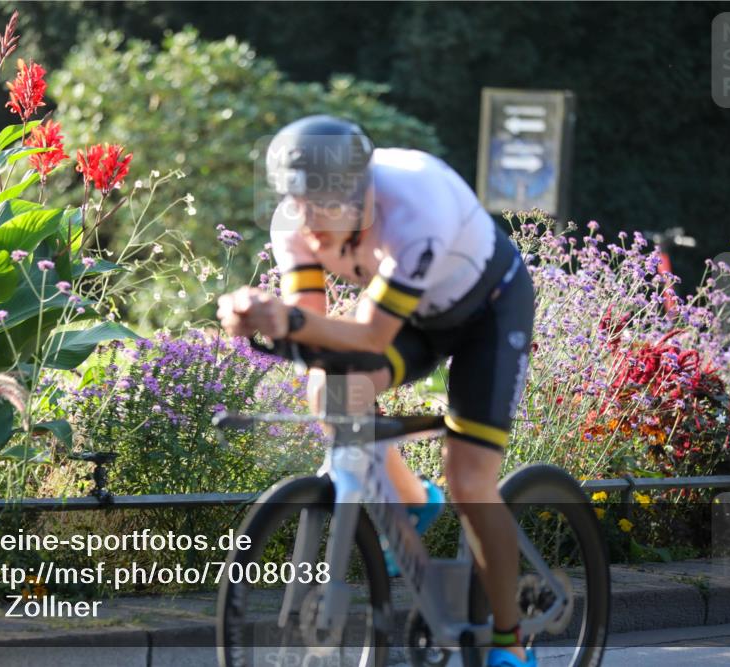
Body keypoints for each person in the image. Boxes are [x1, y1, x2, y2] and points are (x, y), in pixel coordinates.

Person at [217, 115, 536, 667]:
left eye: (323, 208)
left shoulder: (414, 206)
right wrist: (261, 318)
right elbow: (315, 332)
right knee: (330, 389)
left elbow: (370, 335)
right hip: (415, 318)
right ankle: (411, 503)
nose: (310, 228)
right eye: (299, 205)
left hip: (488, 312)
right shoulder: (295, 223)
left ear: (361, 196)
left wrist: (284, 320)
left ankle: (510, 643)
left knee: (470, 480)